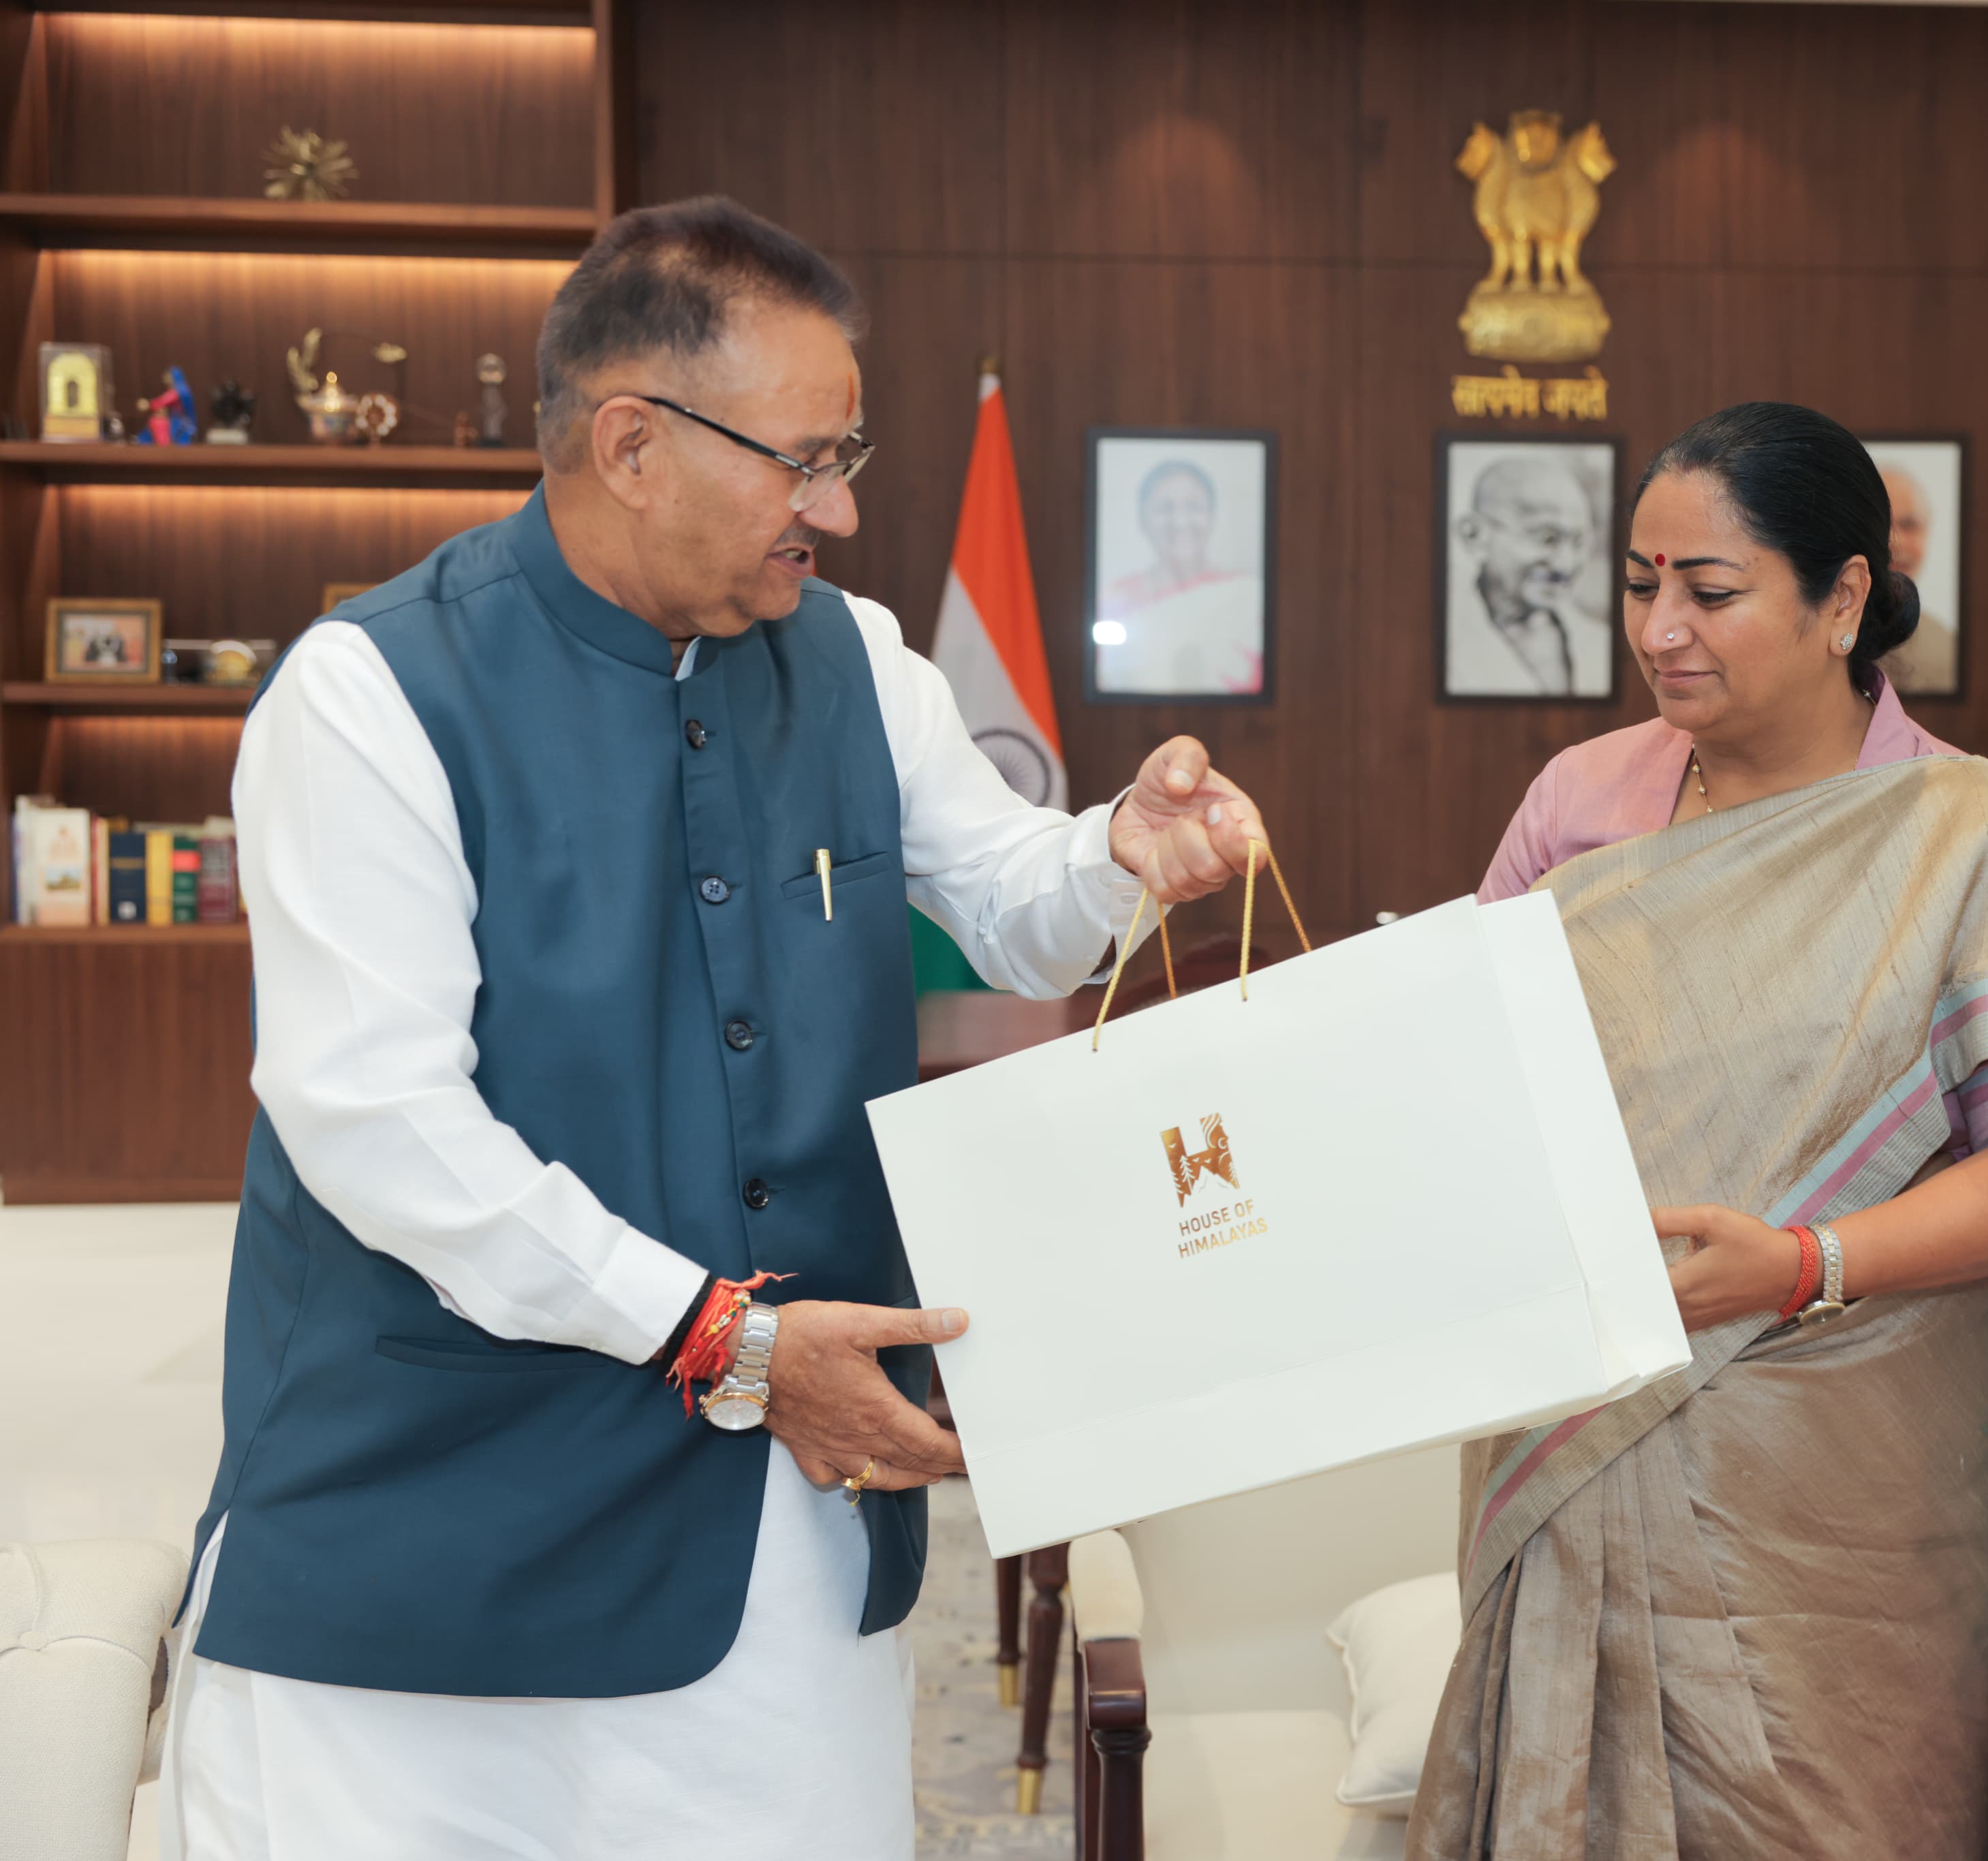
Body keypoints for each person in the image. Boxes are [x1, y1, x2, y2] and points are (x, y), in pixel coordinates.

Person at [164, 197, 1269, 1858]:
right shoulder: (368, 693)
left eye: (848, 455)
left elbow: (1006, 898)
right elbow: (379, 1125)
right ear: (632, 444)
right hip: (424, 1530)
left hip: (766, 1536)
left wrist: (1122, 848)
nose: (839, 507)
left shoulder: (858, 661)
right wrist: (719, 1338)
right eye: (803, 461)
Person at [1420, 404, 1988, 1860]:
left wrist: (1802, 1263)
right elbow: (1469, 1083)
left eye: (1709, 590)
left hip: (1858, 1497)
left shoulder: (1966, 838)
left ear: (1842, 597)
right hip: (1587, 1429)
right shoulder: (1579, 805)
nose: (1659, 628)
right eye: (1640, 583)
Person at [1093, 457, 1264, 695]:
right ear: (1143, 519)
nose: (1180, 522)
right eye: (1165, 508)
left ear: (1212, 514)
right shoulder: (1114, 599)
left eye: (1193, 507)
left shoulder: (1246, 594)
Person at [1447, 450, 1613, 697]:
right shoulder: (1440, 644)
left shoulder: (1600, 643)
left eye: (1578, 542)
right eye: (1547, 538)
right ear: (1475, 535)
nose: (1565, 564)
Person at [1875, 456, 1960, 695]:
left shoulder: (1950, 649)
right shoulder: (1814, 637)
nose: (1895, 543)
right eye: (1881, 525)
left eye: (1909, 525)